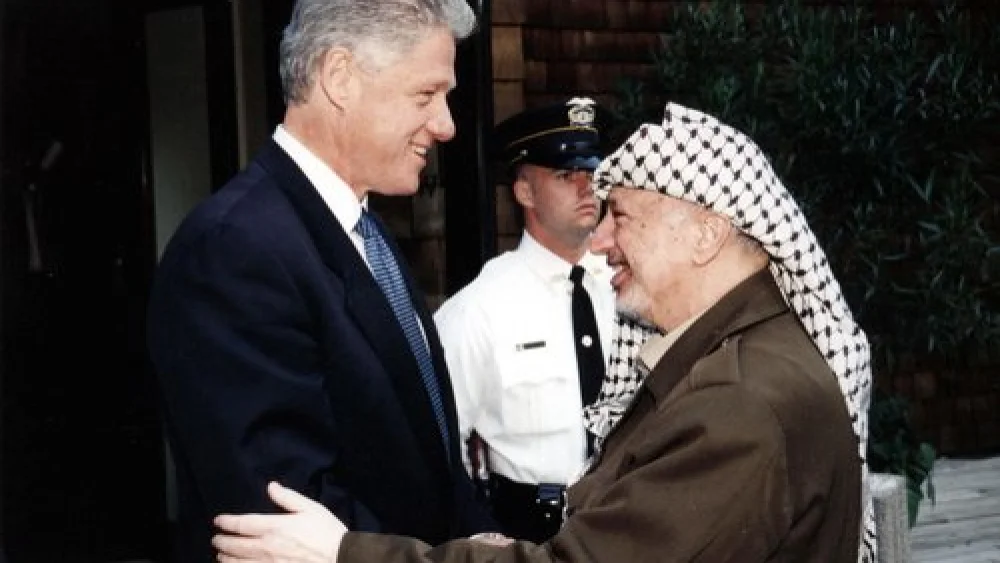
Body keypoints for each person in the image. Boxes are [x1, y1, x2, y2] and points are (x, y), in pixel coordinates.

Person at [211, 102, 874, 563]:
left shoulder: (740, 403)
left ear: (705, 235)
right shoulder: (743, 359)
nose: (601, 238)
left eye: (622, 215)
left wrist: (344, 553)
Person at [145, 1, 496, 561]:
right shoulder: (234, 249)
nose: (446, 124)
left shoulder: (364, 233)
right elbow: (279, 514)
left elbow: (427, 458)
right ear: (339, 77)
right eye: (425, 95)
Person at [432, 97, 616, 543]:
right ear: (525, 193)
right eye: (565, 175)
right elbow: (438, 448)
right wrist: (481, 537)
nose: (585, 187)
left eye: (592, 173)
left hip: (629, 523)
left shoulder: (629, 289)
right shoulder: (479, 310)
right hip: (532, 533)